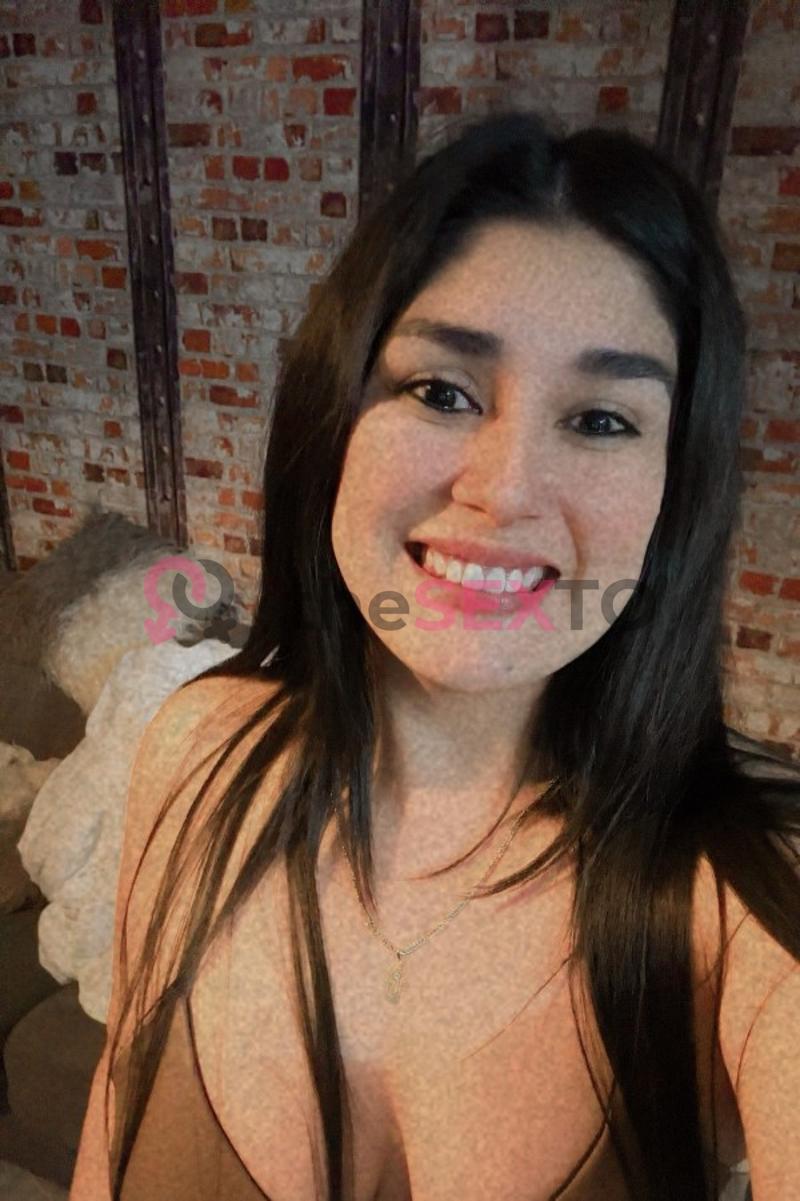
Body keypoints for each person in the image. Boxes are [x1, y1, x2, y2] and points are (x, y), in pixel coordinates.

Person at [70, 108, 800, 1201]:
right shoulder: (191, 755)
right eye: (441, 391)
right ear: (333, 419)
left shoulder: (743, 890)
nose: (502, 490)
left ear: (674, 490)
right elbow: (111, 1124)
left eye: (601, 420)